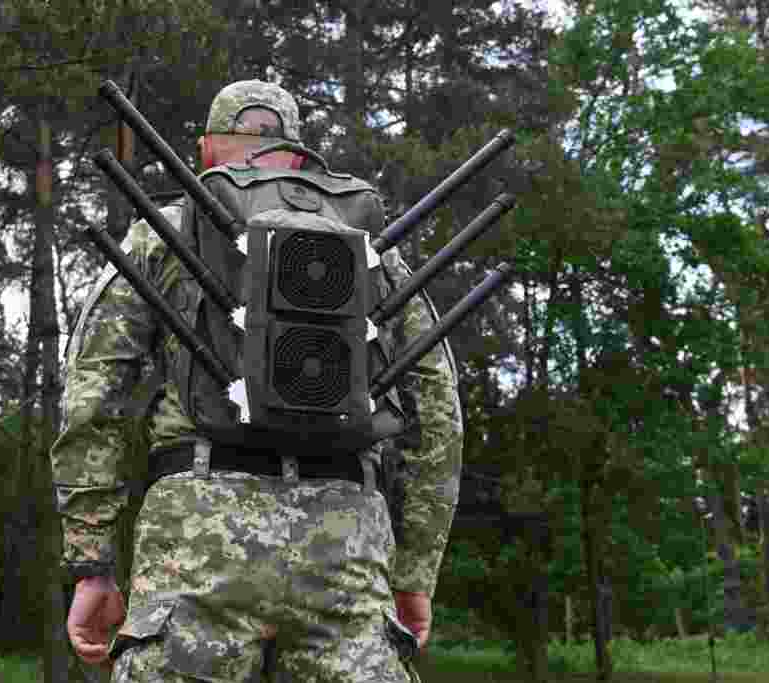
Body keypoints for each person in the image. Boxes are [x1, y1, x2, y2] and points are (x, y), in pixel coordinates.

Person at [50, 80, 464, 682]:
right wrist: (415, 574)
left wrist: (92, 562)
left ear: (208, 151)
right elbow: (438, 410)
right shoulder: (373, 249)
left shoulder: (166, 232)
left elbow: (93, 395)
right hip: (347, 545)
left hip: (196, 542)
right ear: (297, 156)